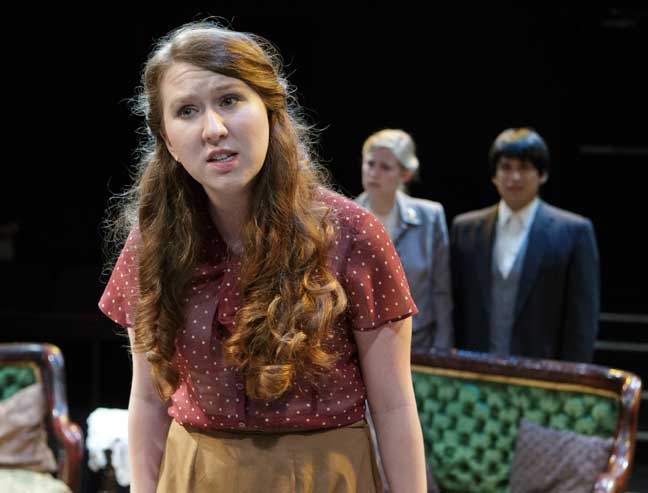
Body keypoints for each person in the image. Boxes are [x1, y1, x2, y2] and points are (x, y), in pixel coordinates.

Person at [99, 21, 426, 493]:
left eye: (230, 100)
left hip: (324, 476)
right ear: (167, 139)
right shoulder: (153, 244)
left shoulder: (351, 233)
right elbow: (148, 400)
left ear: (272, 112)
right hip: (194, 475)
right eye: (187, 111)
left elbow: (393, 405)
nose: (214, 129)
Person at [450, 127, 600, 362]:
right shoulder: (465, 229)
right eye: (506, 167)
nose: (515, 177)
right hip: (475, 369)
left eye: (524, 168)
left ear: (542, 174)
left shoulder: (574, 232)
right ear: (494, 175)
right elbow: (454, 307)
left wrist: (572, 377)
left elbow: (582, 319)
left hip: (541, 372)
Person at [356, 129, 453, 353]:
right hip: (362, 345)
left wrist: (443, 350)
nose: (374, 173)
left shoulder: (430, 217)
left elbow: (441, 291)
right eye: (370, 164)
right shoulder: (346, 219)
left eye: (385, 167)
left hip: (418, 344)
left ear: (406, 174)